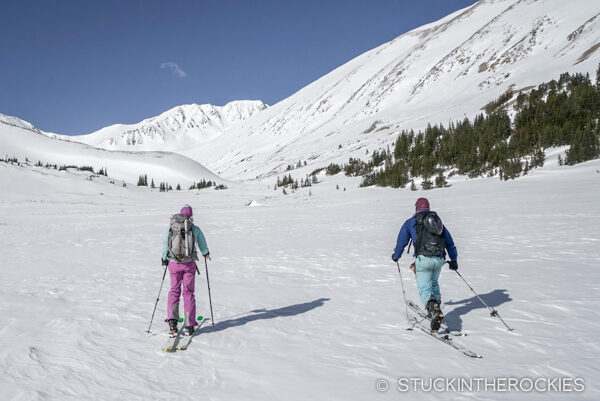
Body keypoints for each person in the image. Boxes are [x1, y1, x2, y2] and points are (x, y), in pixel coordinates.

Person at [392, 197, 458, 332]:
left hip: (423, 260)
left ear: (416, 208)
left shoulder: (411, 222)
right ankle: (436, 306)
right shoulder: (437, 221)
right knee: (433, 282)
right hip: (439, 259)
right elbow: (449, 241)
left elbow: (401, 241)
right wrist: (454, 259)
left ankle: (433, 309)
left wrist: (396, 255)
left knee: (424, 288)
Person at [161, 204, 210, 336]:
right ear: (191, 215)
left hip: (174, 264)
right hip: (189, 265)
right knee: (188, 293)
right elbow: (202, 243)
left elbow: (166, 242)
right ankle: (189, 325)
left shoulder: (172, 228)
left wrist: (164, 257)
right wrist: (205, 253)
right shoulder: (195, 229)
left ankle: (172, 322)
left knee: (174, 291)